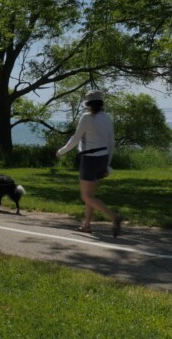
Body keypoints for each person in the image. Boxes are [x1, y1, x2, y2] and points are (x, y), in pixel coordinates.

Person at [56, 90, 123, 237]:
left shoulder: (87, 117)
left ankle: (114, 217)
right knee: (91, 195)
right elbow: (111, 142)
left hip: (89, 159)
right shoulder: (107, 117)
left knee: (86, 196)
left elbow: (75, 138)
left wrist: (61, 151)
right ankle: (86, 225)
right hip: (103, 158)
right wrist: (108, 163)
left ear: (88, 104)